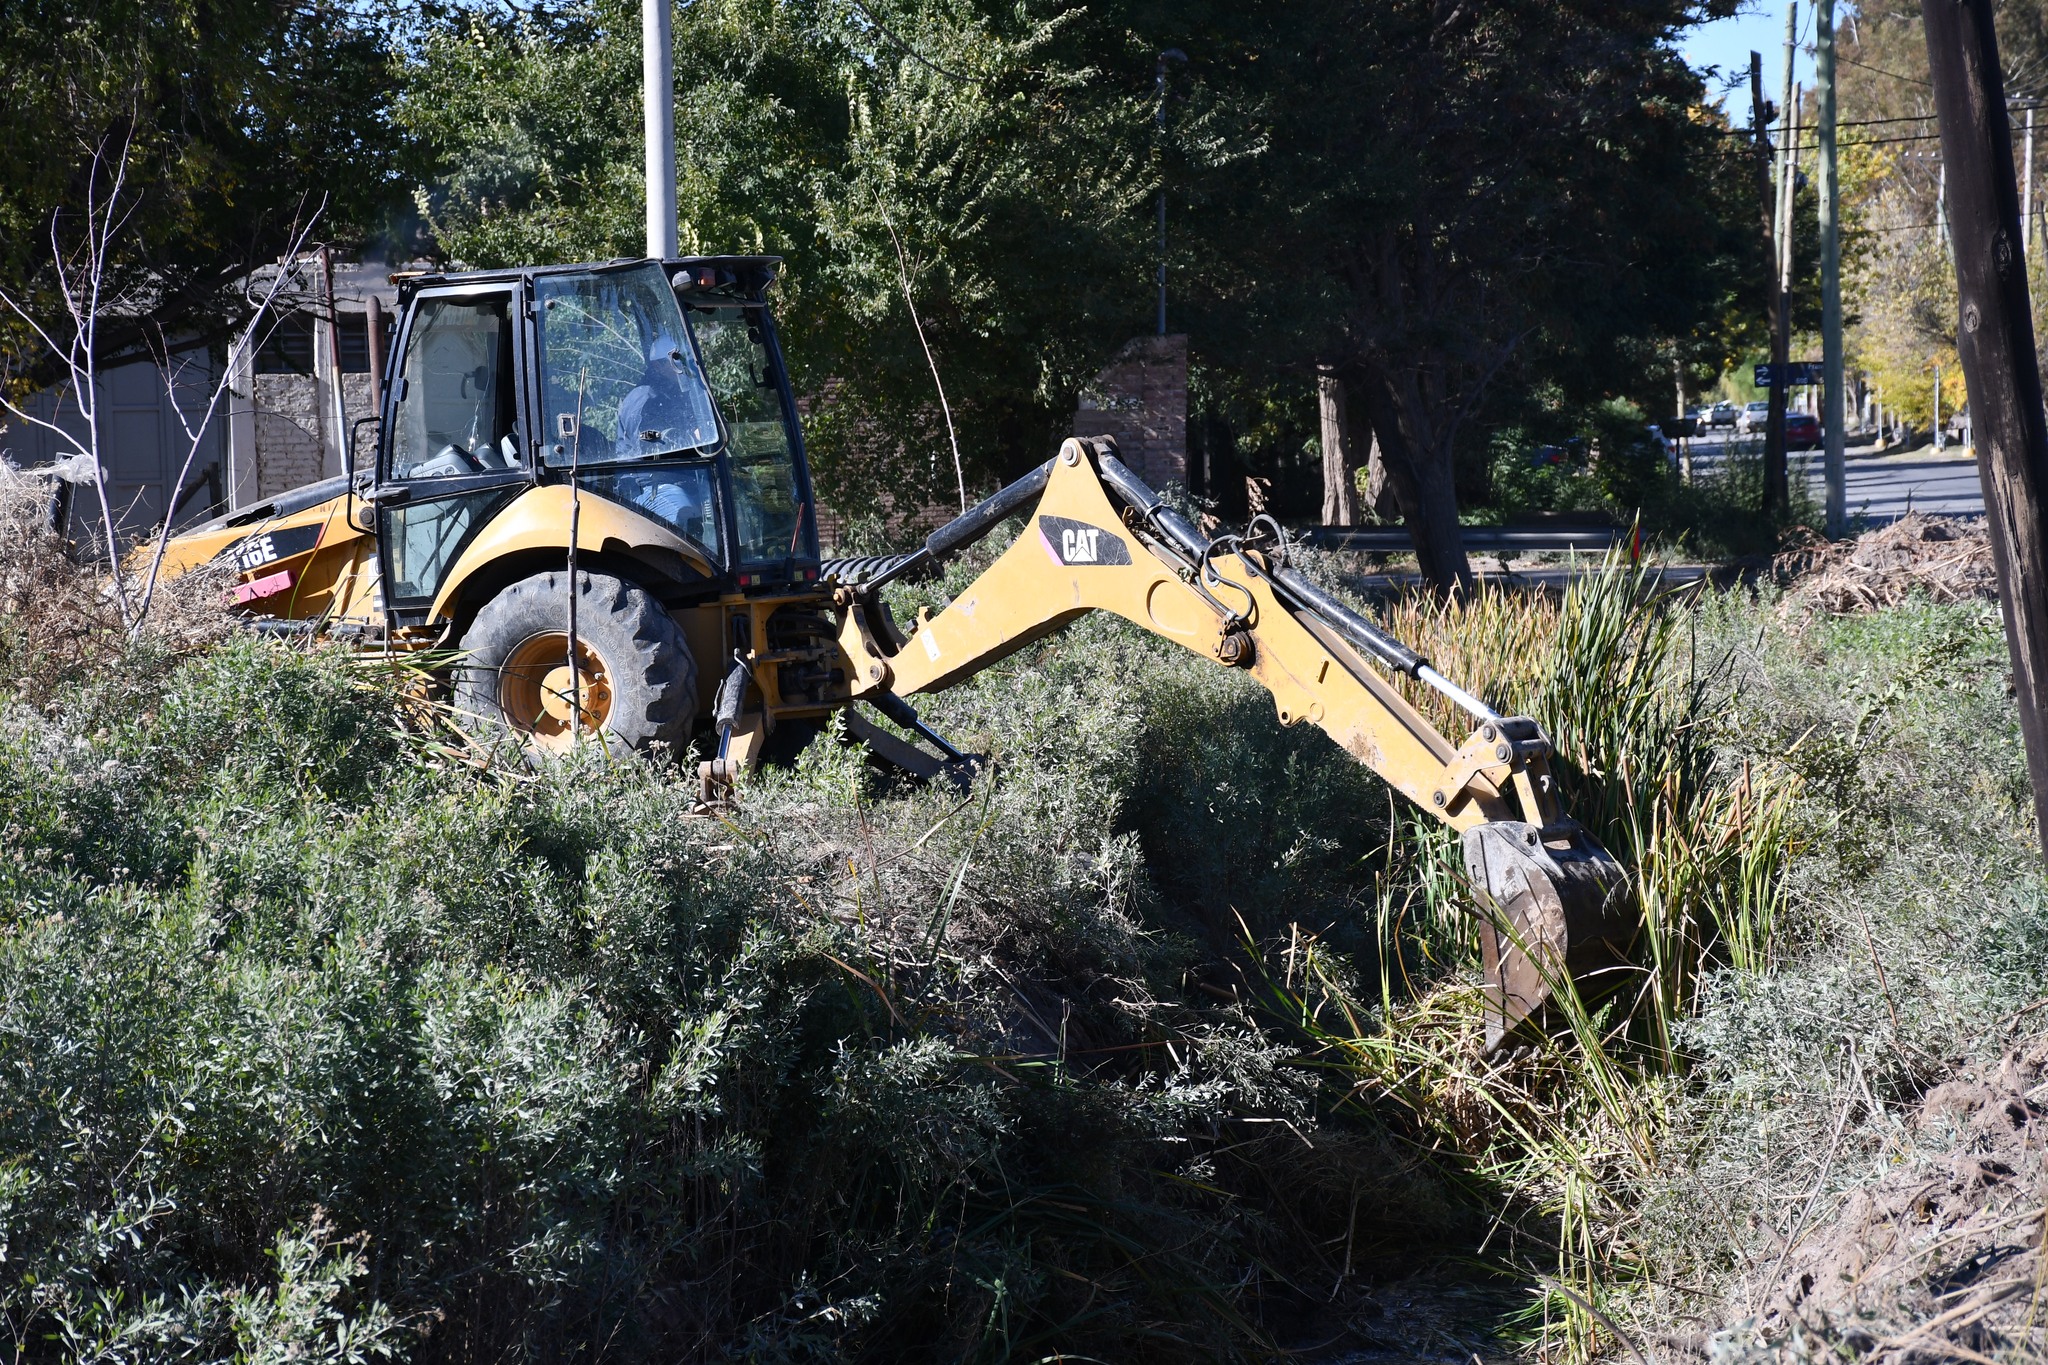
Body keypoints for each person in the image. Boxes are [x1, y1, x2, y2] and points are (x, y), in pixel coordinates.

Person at [613, 335, 711, 458]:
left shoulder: (683, 392)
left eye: (686, 360)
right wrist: (690, 435)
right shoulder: (644, 398)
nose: (683, 365)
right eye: (676, 359)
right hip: (645, 467)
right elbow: (648, 443)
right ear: (657, 366)